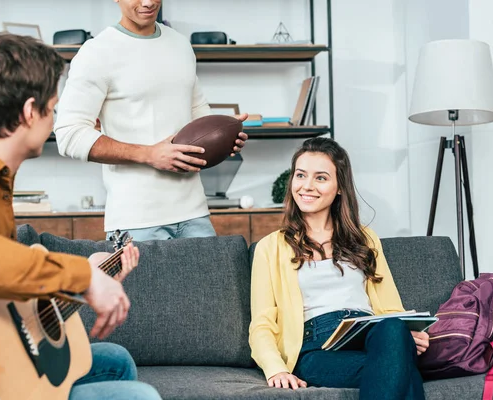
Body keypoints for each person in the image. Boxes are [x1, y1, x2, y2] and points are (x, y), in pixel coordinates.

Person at [0, 33, 160, 400]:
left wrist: (88, 273)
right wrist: (82, 276)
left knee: (116, 360)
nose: (54, 118)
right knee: (141, 396)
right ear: (30, 112)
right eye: (53, 108)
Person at [248, 137, 429, 399]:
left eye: (320, 178)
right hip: (315, 348)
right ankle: (397, 356)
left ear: (340, 187)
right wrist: (275, 369)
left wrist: (409, 333)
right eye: (300, 175)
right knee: (403, 371)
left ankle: (397, 352)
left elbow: (391, 308)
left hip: (370, 335)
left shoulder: (365, 239)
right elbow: (262, 323)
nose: (307, 186)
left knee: (393, 330)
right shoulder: (271, 247)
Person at [54, 0, 248, 242]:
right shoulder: (97, 52)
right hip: (136, 221)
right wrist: (149, 154)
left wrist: (225, 135)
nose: (148, 2)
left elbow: (198, 111)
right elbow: (69, 135)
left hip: (195, 214)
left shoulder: (180, 44)